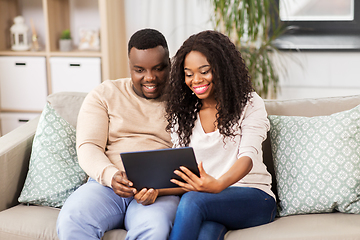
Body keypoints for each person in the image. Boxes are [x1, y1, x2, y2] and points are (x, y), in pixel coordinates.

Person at [57, 28, 184, 240]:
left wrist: (161, 189)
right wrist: (110, 175)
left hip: (158, 192)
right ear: (130, 67)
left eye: (158, 69)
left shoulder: (184, 102)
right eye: (140, 70)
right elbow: (88, 146)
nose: (149, 78)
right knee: (71, 219)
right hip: (106, 186)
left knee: (155, 228)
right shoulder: (105, 94)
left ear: (170, 64)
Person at [164, 30, 277, 240]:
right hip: (211, 201)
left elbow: (248, 158)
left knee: (192, 200)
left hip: (255, 198)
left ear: (222, 69)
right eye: (188, 74)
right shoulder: (184, 114)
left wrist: (218, 185)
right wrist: (153, 191)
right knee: (206, 233)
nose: (196, 80)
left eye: (204, 71)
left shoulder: (249, 103)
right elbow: (182, 173)